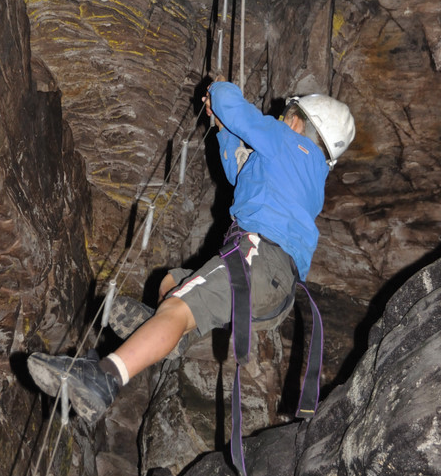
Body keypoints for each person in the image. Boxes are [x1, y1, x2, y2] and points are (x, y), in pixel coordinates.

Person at [27, 80, 355, 426]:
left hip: (258, 259)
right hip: (274, 285)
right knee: (173, 283)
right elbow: (238, 172)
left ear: (294, 122)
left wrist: (220, 89)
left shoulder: (288, 144)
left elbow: (236, 109)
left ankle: (104, 378)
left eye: (284, 115)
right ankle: (170, 337)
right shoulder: (306, 173)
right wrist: (220, 127)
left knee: (175, 309)